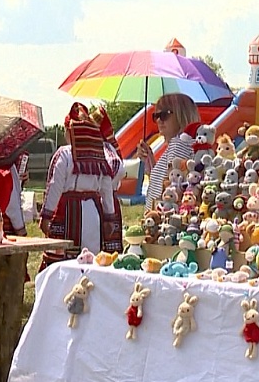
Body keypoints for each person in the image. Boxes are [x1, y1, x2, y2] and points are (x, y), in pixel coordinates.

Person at [39, 104, 124, 268]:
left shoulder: (64, 154)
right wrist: (108, 218)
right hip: (93, 212)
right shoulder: (100, 155)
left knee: (62, 264)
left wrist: (47, 215)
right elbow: (106, 190)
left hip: (66, 212)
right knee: (91, 261)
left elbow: (55, 186)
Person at [137, 93, 201, 211]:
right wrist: (150, 161)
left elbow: (172, 189)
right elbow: (167, 180)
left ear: (181, 115)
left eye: (164, 115)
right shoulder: (180, 144)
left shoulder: (180, 144)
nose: (159, 121)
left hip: (165, 218)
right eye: (156, 116)